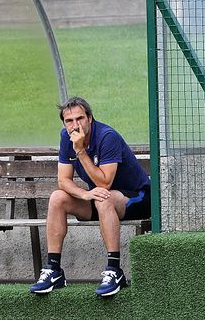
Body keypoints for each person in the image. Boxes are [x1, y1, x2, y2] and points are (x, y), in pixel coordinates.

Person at [29, 97, 151, 297]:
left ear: (90, 118)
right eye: (69, 121)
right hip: (101, 198)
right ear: (63, 123)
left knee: (105, 197)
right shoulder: (66, 137)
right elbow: (63, 181)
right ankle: (54, 270)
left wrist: (80, 151)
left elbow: (104, 183)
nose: (75, 125)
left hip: (138, 198)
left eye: (80, 118)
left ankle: (114, 270)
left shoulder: (107, 137)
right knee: (58, 197)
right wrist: (85, 194)